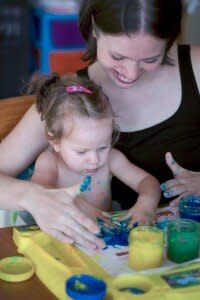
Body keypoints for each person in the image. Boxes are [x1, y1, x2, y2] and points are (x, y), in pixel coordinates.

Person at [0, 0, 199, 249]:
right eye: (118, 56)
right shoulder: (66, 104)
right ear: (94, 27)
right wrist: (34, 197)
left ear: (169, 40)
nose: (131, 73)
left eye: (151, 58)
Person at [29, 73, 160, 242]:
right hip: (60, 239)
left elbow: (147, 182)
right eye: (82, 152)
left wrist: (146, 203)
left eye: (103, 147)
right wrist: (83, 209)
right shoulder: (49, 162)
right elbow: (40, 193)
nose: (95, 160)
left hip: (102, 240)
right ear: (55, 141)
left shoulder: (111, 159)